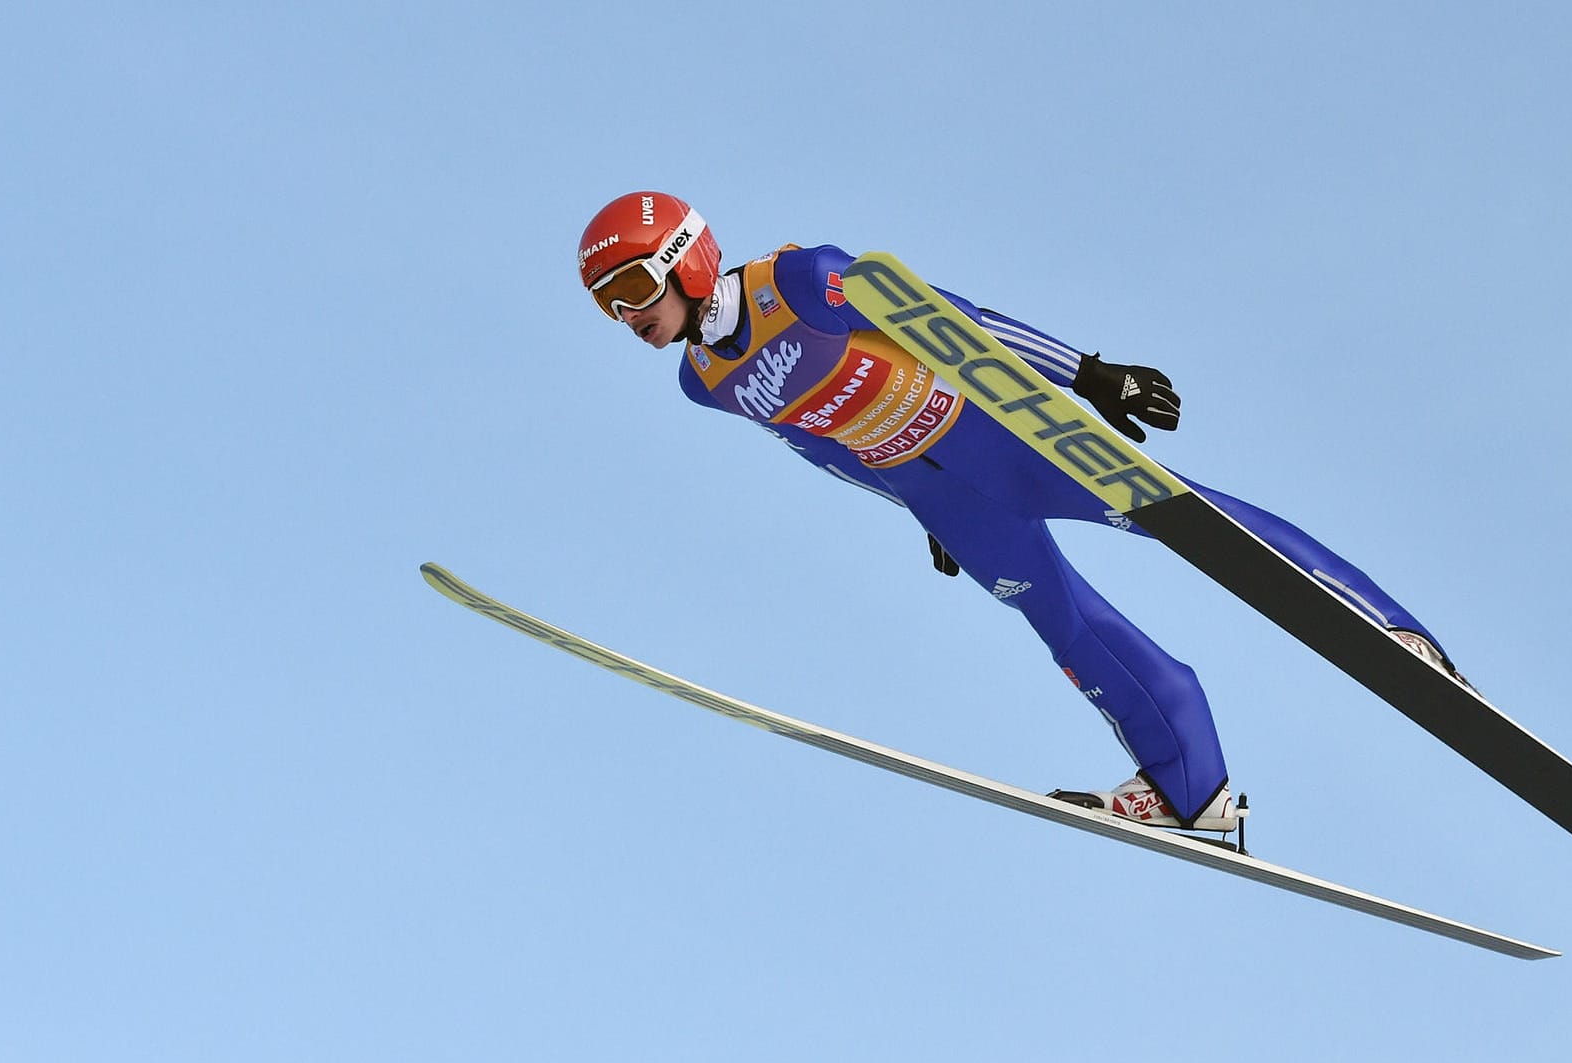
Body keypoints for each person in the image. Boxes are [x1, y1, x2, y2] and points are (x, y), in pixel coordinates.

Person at [576, 190, 1468, 832]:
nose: (624, 319)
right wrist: (912, 508)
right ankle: (1191, 791)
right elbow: (820, 443)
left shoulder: (800, 280)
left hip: (995, 436)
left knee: (1188, 520)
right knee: (1067, 629)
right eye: (606, 307)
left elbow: (953, 320)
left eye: (629, 292)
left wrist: (1085, 373)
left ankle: (1389, 633)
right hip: (938, 491)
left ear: (685, 261)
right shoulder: (704, 383)